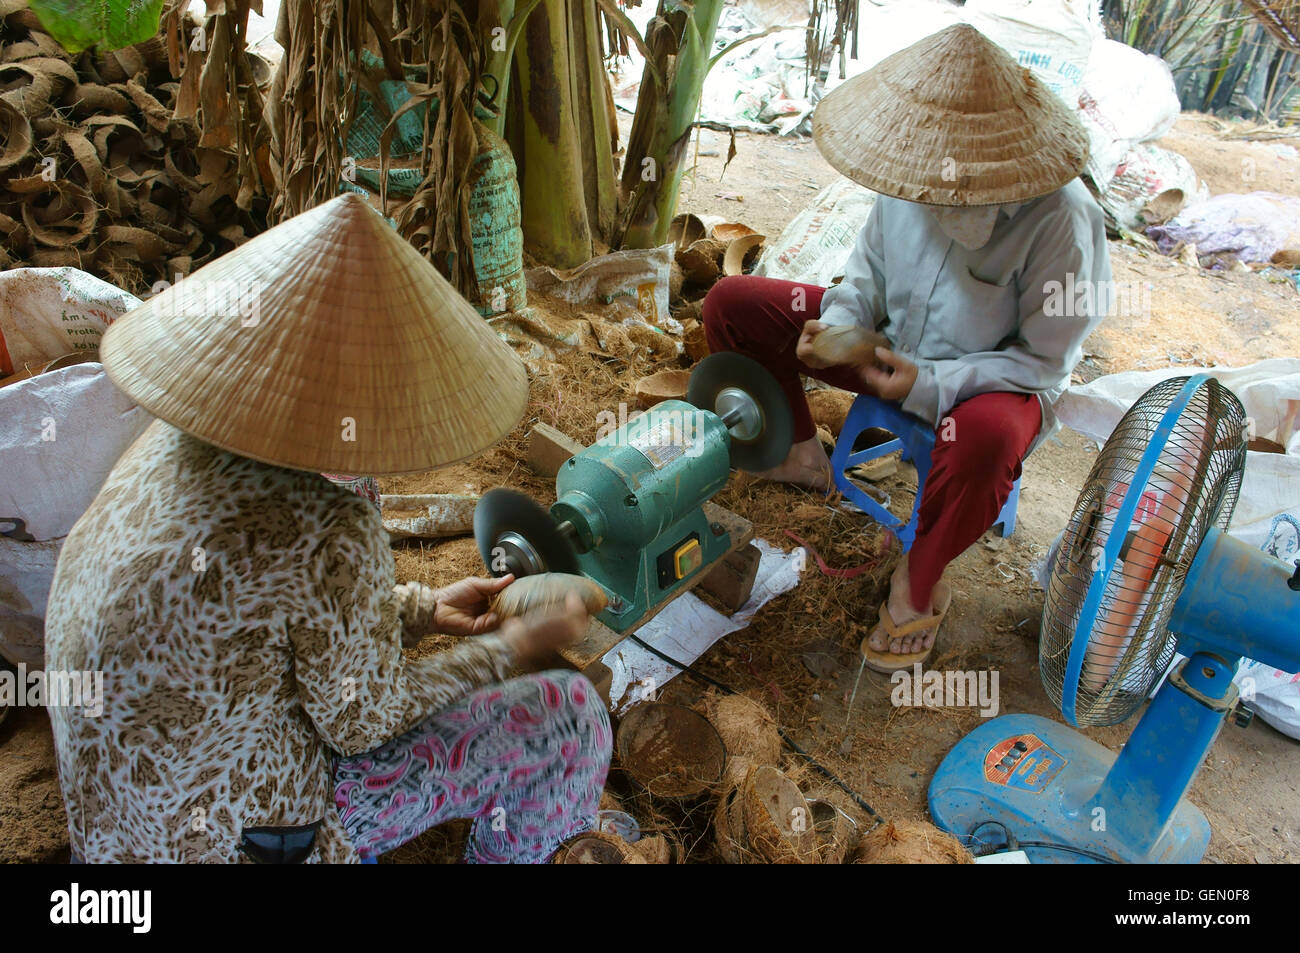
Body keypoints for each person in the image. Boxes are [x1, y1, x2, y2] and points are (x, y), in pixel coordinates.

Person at [44, 193, 611, 863]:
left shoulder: (166, 444)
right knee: (569, 716)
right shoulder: (331, 526)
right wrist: (510, 645)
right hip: (230, 835)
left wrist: (423, 610)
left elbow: (263, 623)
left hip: (116, 821)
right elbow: (362, 724)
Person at [704, 24, 1112, 672]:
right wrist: (837, 324)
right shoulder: (909, 168)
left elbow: (1045, 363)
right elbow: (865, 273)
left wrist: (928, 384)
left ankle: (919, 580)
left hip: (990, 387)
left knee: (985, 441)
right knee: (733, 305)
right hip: (887, 351)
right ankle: (799, 455)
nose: (930, 187)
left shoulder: (1063, 219)